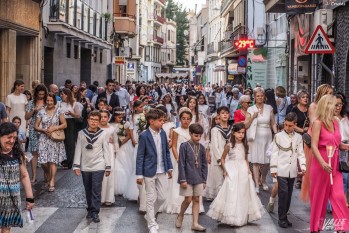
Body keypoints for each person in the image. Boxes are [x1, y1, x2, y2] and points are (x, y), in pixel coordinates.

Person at [207, 123, 263, 226]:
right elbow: (223, 158)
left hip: (242, 169)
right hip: (232, 168)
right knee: (232, 190)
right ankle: (231, 216)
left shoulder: (245, 144)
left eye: (243, 133)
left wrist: (248, 170)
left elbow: (246, 159)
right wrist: (224, 169)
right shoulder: (229, 145)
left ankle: (242, 215)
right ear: (233, 133)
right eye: (239, 132)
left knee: (243, 192)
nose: (241, 135)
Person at [310, 95, 349, 232]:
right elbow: (314, 146)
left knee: (338, 196)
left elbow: (338, 143)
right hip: (321, 165)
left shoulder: (336, 122)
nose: (338, 107)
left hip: (335, 163)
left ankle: (341, 228)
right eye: (335, 105)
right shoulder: (317, 123)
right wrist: (322, 163)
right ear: (327, 106)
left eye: (338, 105)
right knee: (319, 201)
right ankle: (315, 229)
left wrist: (346, 146)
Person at [136, 109, 173, 233]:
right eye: (160, 120)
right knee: (150, 198)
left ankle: (149, 214)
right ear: (151, 121)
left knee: (162, 197)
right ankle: (151, 223)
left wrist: (169, 167)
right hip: (148, 170)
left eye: (163, 120)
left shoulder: (163, 133)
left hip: (162, 169)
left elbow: (166, 151)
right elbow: (140, 155)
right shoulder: (144, 135)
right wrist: (139, 174)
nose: (163, 122)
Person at [73, 111, 111, 223]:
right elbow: (78, 149)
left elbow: (106, 150)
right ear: (88, 120)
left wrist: (108, 166)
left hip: (99, 165)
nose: (93, 122)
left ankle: (95, 212)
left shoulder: (103, 134)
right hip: (85, 166)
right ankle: (89, 209)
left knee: (96, 190)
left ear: (99, 122)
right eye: (92, 119)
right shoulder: (81, 133)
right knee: (88, 189)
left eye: (96, 120)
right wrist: (76, 166)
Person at [270, 112, 306, 228]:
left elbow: (301, 153)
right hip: (280, 170)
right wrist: (273, 168)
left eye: (290, 125)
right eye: (285, 125)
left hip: (292, 171)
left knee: (289, 194)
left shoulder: (298, 137)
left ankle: (284, 216)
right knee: (283, 193)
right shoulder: (278, 136)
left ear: (295, 124)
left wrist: (303, 166)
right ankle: (281, 218)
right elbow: (274, 153)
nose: (287, 127)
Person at [301, 84, 333, 202]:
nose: (330, 96)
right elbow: (314, 122)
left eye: (331, 94)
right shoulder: (313, 106)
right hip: (314, 139)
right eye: (328, 93)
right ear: (322, 94)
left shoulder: (330, 106)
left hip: (325, 139)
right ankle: (314, 196)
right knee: (312, 170)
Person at [0, 122, 34, 233]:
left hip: (11, 201)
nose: (12, 141)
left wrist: (30, 198)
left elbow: (24, 176)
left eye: (14, 138)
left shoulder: (17, 154)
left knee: (6, 228)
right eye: (9, 137)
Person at [176, 123, 208, 231]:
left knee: (197, 199)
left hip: (199, 178)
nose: (198, 138)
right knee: (188, 199)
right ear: (190, 134)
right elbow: (181, 163)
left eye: (200, 136)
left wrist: (204, 179)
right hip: (187, 178)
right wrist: (182, 179)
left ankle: (195, 223)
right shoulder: (184, 146)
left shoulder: (202, 148)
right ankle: (181, 215)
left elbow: (204, 164)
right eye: (196, 135)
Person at [246, 87, 277, 193]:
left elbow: (272, 122)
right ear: (254, 97)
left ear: (264, 97)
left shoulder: (269, 108)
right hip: (255, 136)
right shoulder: (250, 109)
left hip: (267, 135)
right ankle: (256, 184)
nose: (260, 97)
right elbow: (246, 125)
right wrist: (253, 117)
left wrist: (276, 134)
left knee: (266, 161)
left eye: (261, 96)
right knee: (255, 161)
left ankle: (263, 180)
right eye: (257, 96)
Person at [34, 93, 67, 192]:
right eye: (47, 100)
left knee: (53, 161)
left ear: (54, 101)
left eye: (51, 101)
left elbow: (64, 124)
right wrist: (44, 130)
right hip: (44, 139)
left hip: (54, 139)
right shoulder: (41, 112)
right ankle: (48, 173)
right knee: (43, 162)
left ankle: (52, 180)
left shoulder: (59, 111)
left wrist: (54, 128)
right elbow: (36, 126)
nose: (49, 102)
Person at [204, 106, 232, 199]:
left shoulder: (231, 129)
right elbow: (215, 147)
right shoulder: (215, 129)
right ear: (219, 116)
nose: (225, 115)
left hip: (229, 159)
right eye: (222, 113)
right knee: (219, 181)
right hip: (218, 159)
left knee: (228, 180)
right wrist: (221, 161)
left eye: (226, 113)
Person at [25, 84, 48, 184]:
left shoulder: (48, 102)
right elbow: (26, 117)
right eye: (39, 94)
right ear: (36, 94)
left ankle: (46, 173)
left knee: (44, 152)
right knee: (34, 153)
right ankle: (34, 176)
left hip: (45, 129)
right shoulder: (31, 103)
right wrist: (33, 110)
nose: (41, 96)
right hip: (34, 130)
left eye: (43, 94)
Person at [110, 107, 132, 195]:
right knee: (115, 164)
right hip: (113, 146)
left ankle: (124, 185)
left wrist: (121, 142)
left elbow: (128, 135)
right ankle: (114, 186)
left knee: (122, 164)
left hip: (123, 146)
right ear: (114, 116)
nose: (120, 119)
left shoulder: (125, 124)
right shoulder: (110, 124)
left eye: (122, 117)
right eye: (119, 117)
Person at [99, 110, 118, 206]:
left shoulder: (112, 129)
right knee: (100, 174)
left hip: (109, 151)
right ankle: (100, 197)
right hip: (99, 151)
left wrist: (116, 153)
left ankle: (108, 197)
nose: (103, 118)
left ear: (108, 118)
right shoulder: (96, 128)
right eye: (101, 116)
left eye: (105, 117)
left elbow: (115, 141)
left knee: (109, 173)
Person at [60, 88, 82, 169]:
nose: (61, 96)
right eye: (61, 94)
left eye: (63, 94)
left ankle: (69, 162)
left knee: (70, 143)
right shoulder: (59, 104)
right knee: (62, 142)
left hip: (71, 123)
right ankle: (62, 161)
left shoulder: (74, 103)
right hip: (61, 122)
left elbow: (78, 115)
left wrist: (71, 113)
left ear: (67, 95)